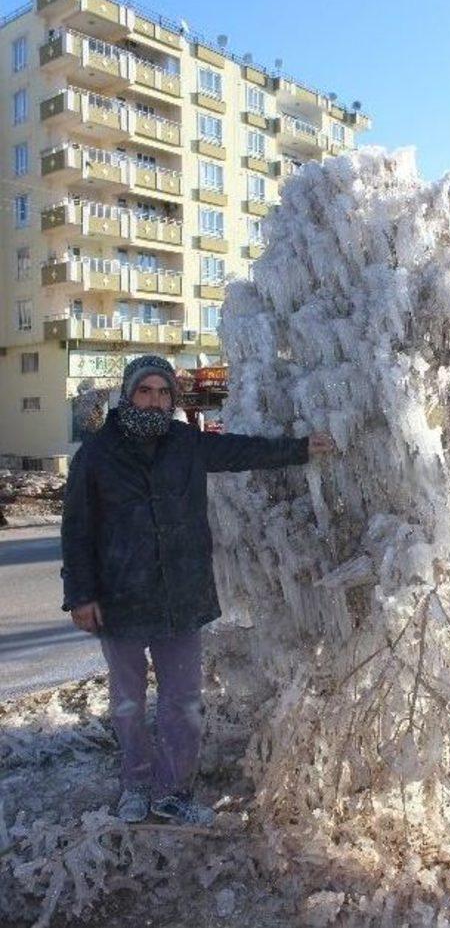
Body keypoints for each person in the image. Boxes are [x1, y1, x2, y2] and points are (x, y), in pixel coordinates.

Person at [61, 354, 334, 825]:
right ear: (128, 394)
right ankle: (136, 784)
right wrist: (81, 595)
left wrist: (302, 448)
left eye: (164, 392)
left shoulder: (185, 443)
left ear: (173, 398)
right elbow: (77, 530)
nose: (155, 399)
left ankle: (173, 790)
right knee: (128, 703)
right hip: (119, 600)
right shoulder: (97, 455)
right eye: (145, 390)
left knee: (183, 704)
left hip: (180, 598)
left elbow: (241, 452)